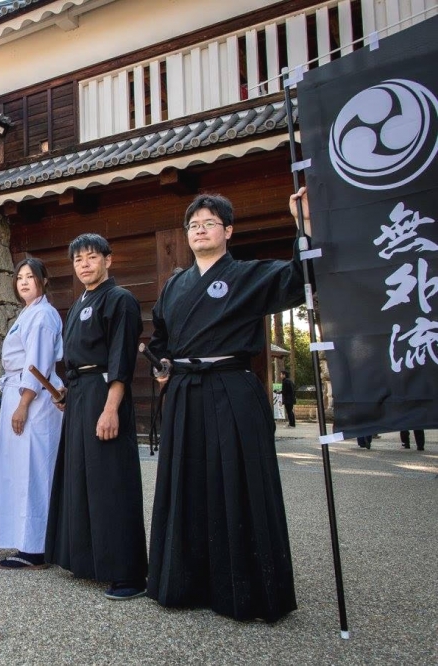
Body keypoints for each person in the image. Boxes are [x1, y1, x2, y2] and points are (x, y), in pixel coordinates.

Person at [147, 190, 308, 622]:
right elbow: (160, 337)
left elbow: (299, 277)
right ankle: (184, 581)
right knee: (185, 482)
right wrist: (162, 365)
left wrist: (304, 226)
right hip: (185, 392)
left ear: (229, 231)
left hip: (231, 390)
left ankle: (243, 588)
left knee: (235, 480)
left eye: (209, 223)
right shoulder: (175, 285)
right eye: (194, 225)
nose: (200, 230)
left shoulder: (247, 275)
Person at [45, 234, 148, 599]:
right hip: (81, 394)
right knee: (80, 478)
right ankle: (88, 560)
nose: (84, 264)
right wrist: (68, 394)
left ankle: (128, 573)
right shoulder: (78, 304)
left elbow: (121, 358)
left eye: (91, 257)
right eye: (78, 260)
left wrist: (111, 408)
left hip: (106, 392)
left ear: (108, 260)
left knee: (111, 480)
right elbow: (75, 360)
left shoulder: (120, 299)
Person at [0, 258, 64, 570]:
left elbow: (37, 363)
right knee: (18, 469)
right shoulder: (28, 313)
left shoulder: (42, 315)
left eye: (30, 277)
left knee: (33, 469)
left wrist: (23, 403)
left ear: (44, 280)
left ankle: (35, 547)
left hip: (34, 397)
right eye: (20, 278)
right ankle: (26, 540)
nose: (24, 282)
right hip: (18, 390)